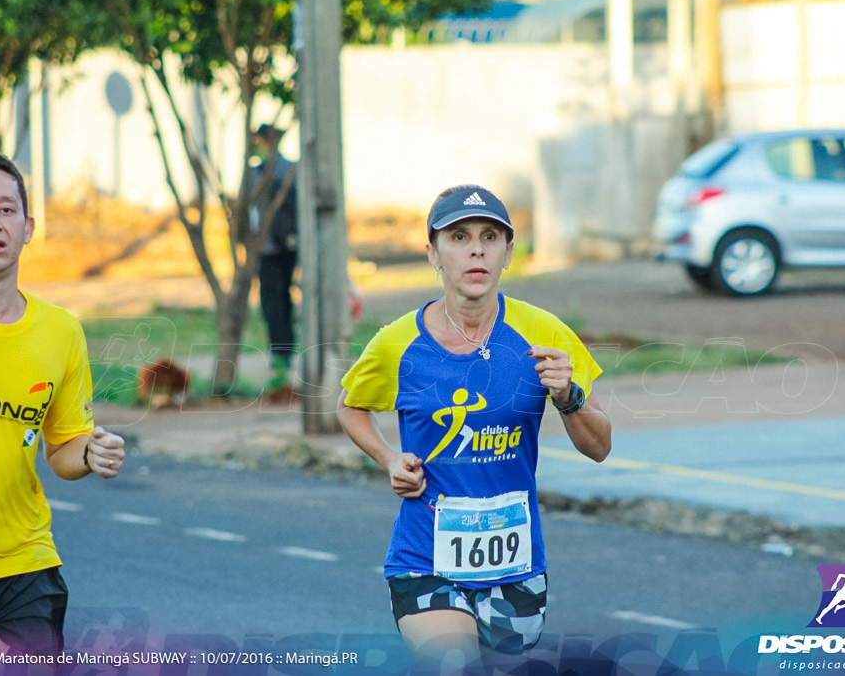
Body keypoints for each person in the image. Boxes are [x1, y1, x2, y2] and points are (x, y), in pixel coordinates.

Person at [337, 184, 612, 671]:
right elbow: (350, 405)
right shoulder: (397, 343)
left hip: (516, 565)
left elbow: (600, 447)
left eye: (490, 236)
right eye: (458, 237)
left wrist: (568, 398)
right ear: (433, 254)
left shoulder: (543, 332)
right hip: (424, 558)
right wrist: (389, 459)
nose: (476, 249)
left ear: (508, 253)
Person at [0, 152, 126, 669]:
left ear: (29, 226)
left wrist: (92, 453)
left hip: (22, 564)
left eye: (6, 210)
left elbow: (63, 446)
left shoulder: (60, 332)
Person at [249, 124, 299, 393]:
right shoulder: (285, 169)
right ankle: (283, 353)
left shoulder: (260, 172)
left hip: (272, 247)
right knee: (279, 300)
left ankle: (282, 354)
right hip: (279, 246)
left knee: (275, 301)